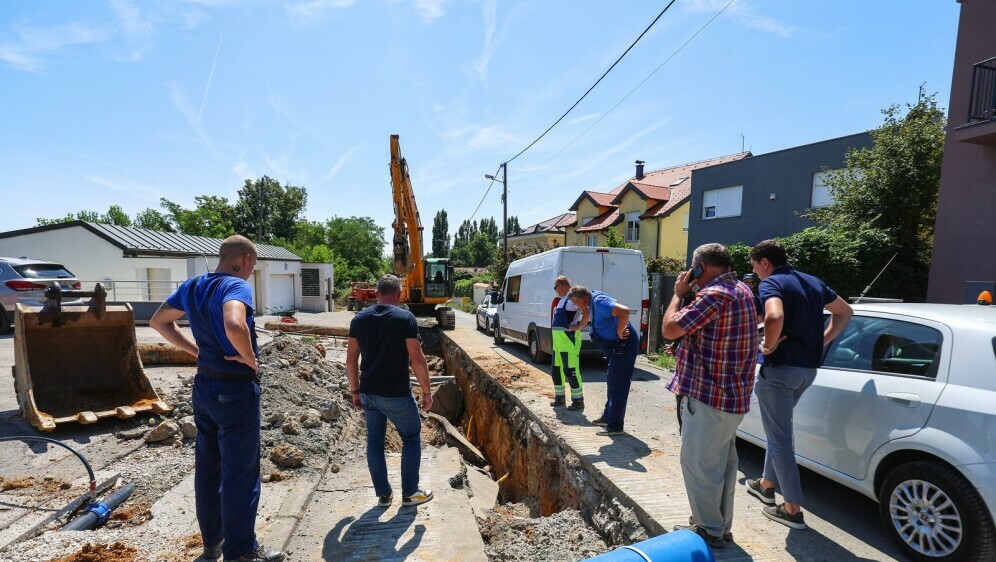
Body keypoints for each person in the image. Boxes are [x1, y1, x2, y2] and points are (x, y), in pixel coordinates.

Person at [150, 235, 284, 562]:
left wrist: (195, 351)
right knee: (240, 473)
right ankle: (241, 553)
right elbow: (235, 324)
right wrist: (250, 357)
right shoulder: (235, 287)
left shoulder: (194, 285)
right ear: (247, 260)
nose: (251, 272)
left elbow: (159, 321)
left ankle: (213, 545)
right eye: (253, 266)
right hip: (235, 392)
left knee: (208, 469)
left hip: (205, 388)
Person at [746, 239, 852, 529]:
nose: (755, 273)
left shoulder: (772, 284)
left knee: (780, 439)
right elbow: (845, 312)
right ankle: (766, 484)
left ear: (765, 262)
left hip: (780, 372)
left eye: (755, 267)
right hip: (807, 371)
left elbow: (774, 315)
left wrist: (767, 346)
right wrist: (822, 341)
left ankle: (792, 509)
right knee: (777, 431)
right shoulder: (812, 281)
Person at [661, 243, 758, 550]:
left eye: (693, 266)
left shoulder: (714, 295)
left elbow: (670, 328)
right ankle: (719, 525)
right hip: (732, 398)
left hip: (708, 397)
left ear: (701, 267)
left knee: (700, 465)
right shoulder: (742, 289)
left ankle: (708, 530)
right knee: (723, 466)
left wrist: (678, 293)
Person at [346, 274, 435, 509]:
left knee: (374, 442)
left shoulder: (359, 319)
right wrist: (427, 392)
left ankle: (384, 495)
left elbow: (351, 360)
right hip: (396, 393)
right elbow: (417, 359)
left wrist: (355, 391)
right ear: (398, 294)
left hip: (368, 393)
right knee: (411, 437)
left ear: (377, 294)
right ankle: (410, 493)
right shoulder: (405, 318)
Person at [567, 285, 639, 436]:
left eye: (575, 303)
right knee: (612, 381)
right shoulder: (592, 301)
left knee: (618, 383)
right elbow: (594, 312)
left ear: (581, 299)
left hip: (623, 345)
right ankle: (607, 417)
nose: (576, 306)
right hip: (616, 347)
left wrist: (620, 329)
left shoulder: (598, 301)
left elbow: (624, 311)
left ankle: (615, 426)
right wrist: (579, 326)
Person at [550, 276, 588, 411]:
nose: (555, 290)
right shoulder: (562, 300)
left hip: (568, 340)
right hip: (558, 342)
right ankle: (559, 397)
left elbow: (587, 310)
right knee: (556, 370)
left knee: (570, 370)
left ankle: (578, 400)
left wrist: (579, 326)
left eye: (556, 287)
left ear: (562, 285)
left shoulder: (572, 299)